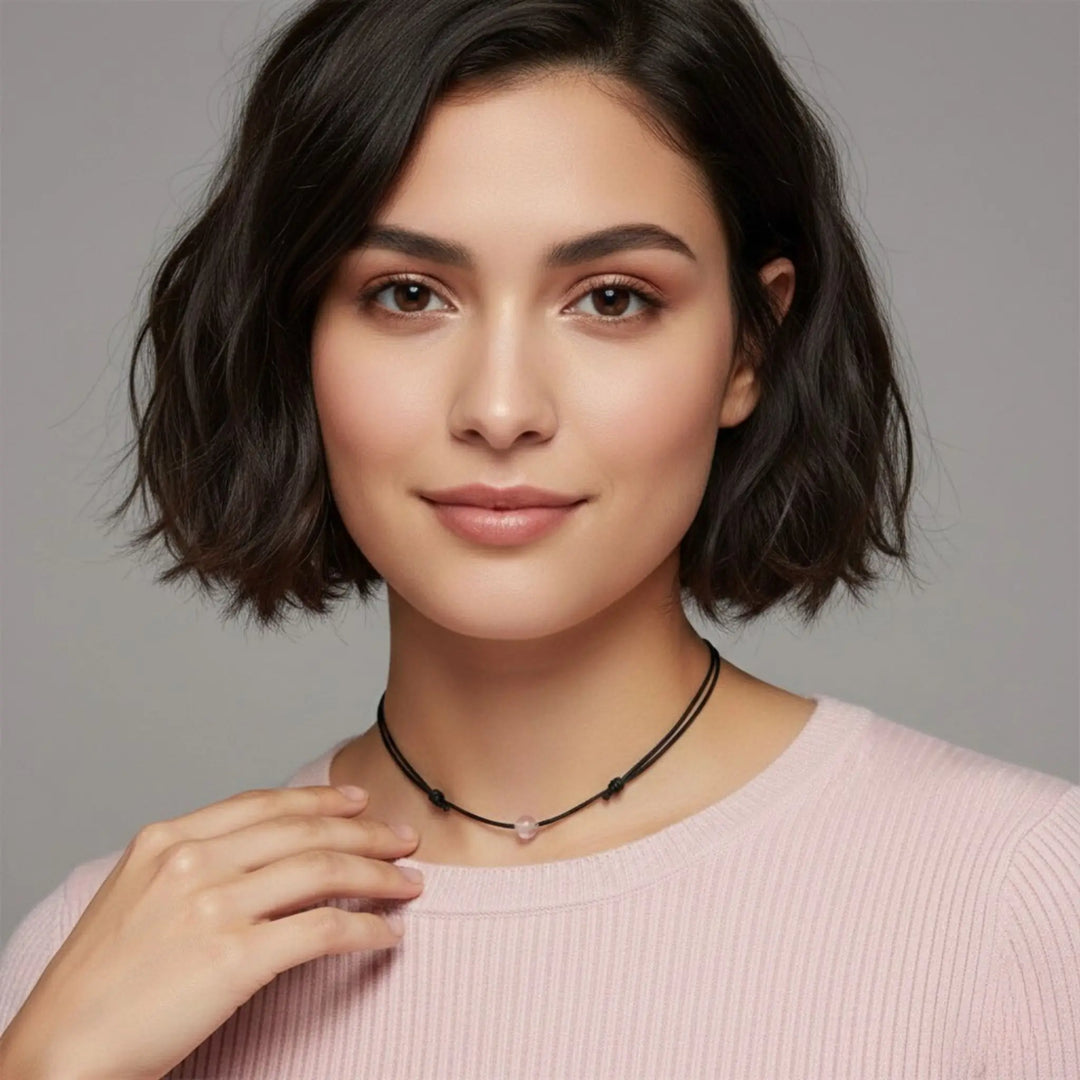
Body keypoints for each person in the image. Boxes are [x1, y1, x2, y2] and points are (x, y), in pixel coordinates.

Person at [1, 0, 1077, 1077]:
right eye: (409, 294)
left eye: (611, 298)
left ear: (749, 347)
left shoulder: (1018, 895)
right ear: (297, 338)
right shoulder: (102, 955)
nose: (503, 407)